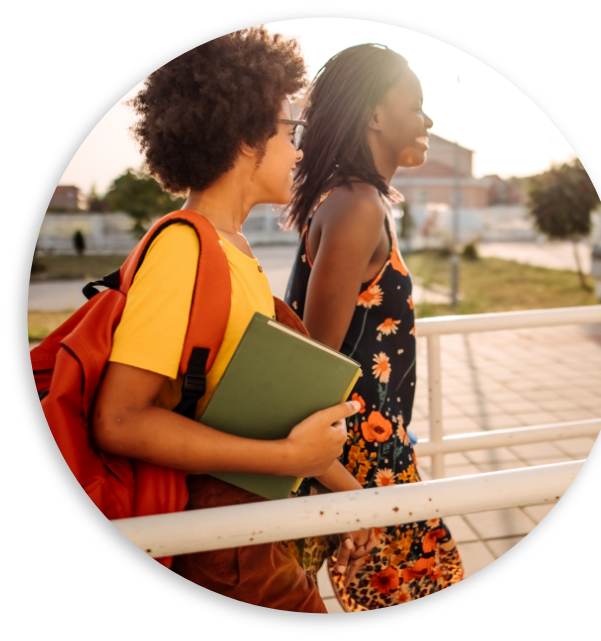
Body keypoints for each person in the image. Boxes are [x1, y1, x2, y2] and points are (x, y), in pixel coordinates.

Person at [91, 28, 363, 613]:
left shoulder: (231, 247)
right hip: (226, 548)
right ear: (245, 138)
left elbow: (257, 407)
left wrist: (355, 503)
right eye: (291, 131)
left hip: (255, 532)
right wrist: (290, 461)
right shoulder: (184, 249)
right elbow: (118, 420)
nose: (299, 151)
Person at [284, 43, 464, 610]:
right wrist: (348, 493)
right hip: (361, 463)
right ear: (374, 116)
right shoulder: (357, 206)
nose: (428, 120)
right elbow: (316, 366)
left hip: (371, 454)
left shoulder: (357, 201)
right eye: (415, 104)